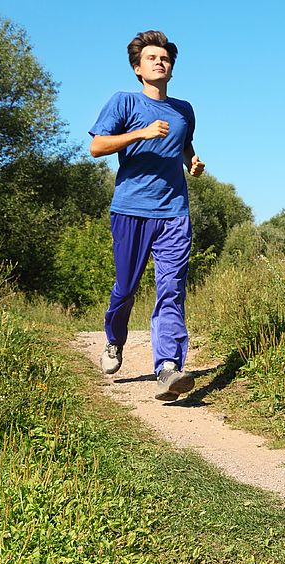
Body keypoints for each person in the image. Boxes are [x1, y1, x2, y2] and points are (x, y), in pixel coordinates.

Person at [88, 30, 204, 401]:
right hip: (131, 209)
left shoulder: (184, 109)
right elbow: (96, 146)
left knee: (171, 288)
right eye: (152, 58)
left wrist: (192, 163)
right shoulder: (124, 102)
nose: (160, 62)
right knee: (126, 288)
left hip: (173, 211)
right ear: (138, 68)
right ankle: (113, 341)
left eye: (165, 58)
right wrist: (140, 133)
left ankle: (168, 367)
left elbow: (184, 146)